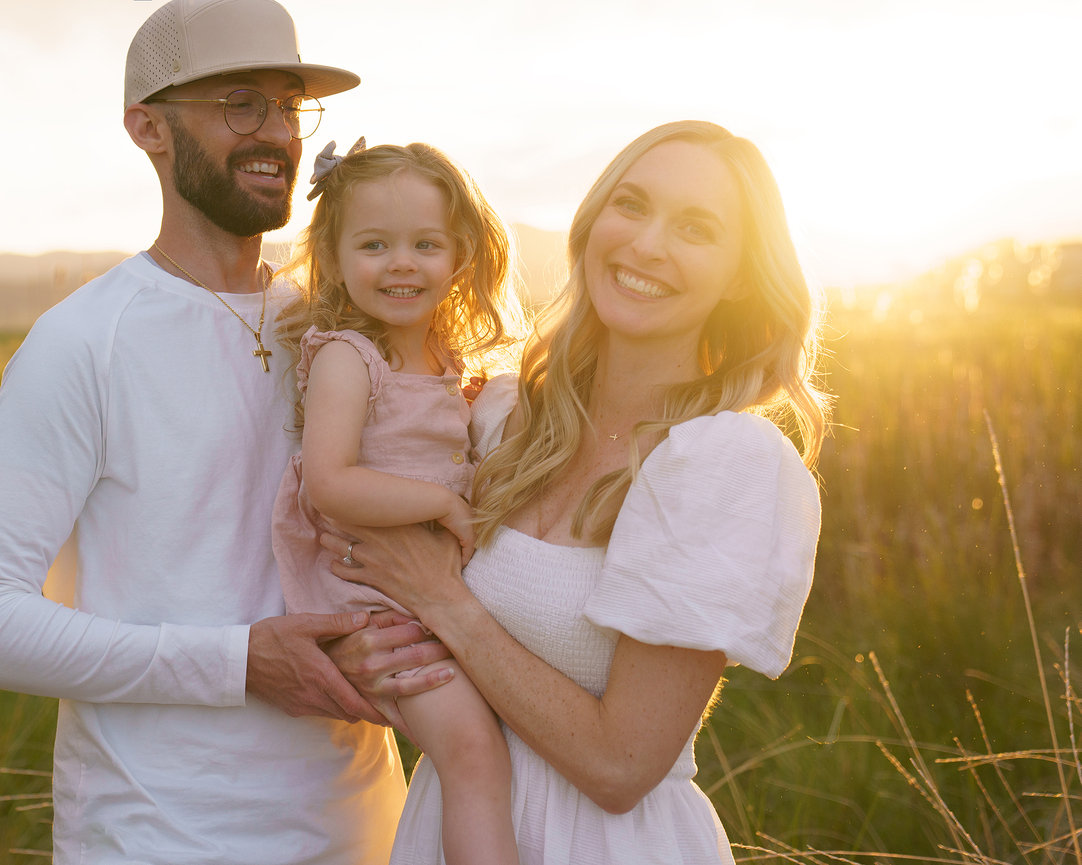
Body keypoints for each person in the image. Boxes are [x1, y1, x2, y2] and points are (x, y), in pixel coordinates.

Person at [0, 1, 451, 863]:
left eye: (288, 106)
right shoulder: (84, 341)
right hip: (159, 837)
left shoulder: (338, 327)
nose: (276, 134)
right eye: (240, 103)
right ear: (148, 128)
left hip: (367, 829)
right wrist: (238, 660)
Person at [323, 120, 831, 864]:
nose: (648, 244)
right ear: (592, 223)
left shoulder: (722, 462)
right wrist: (368, 655)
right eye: (632, 204)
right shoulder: (500, 418)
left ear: (742, 277)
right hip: (453, 824)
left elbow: (620, 765)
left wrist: (446, 603)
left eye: (695, 228)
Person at [271, 138, 526, 865]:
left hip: (427, 591)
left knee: (500, 739)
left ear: (462, 256)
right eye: (375, 244)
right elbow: (330, 479)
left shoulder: (446, 360)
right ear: (336, 253)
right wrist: (440, 505)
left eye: (425, 243)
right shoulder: (352, 357)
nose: (401, 263)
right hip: (378, 600)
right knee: (473, 753)